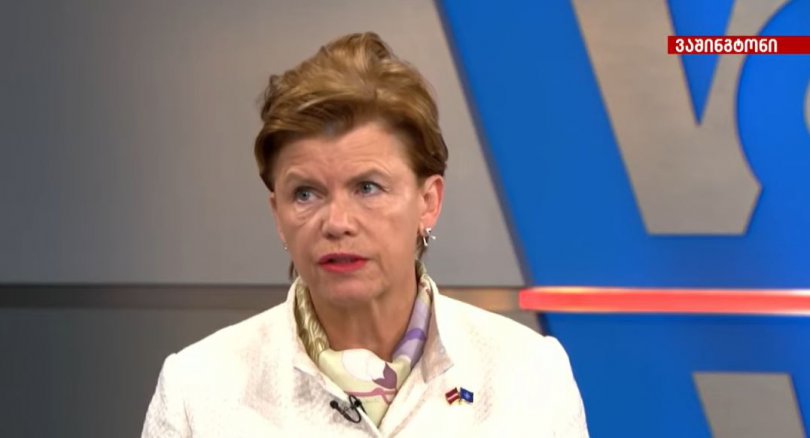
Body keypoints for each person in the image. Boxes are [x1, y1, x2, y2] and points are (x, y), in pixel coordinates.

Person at [141, 32, 588, 437]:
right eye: (305, 193)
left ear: (428, 202)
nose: (337, 222)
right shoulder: (198, 390)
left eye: (367, 188)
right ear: (278, 214)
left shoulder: (529, 374)